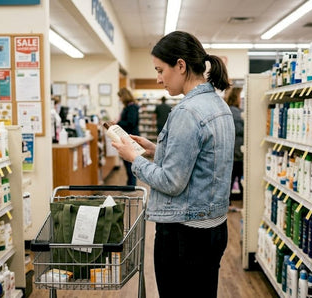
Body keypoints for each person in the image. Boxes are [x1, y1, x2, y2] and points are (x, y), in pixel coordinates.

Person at [111, 31, 234, 298]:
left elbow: (171, 182)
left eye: (160, 70)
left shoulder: (187, 112)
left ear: (180, 65)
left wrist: (134, 158)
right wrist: (157, 150)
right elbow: (203, 160)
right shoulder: (218, 105)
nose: (158, 78)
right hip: (212, 227)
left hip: (184, 234)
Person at [116, 87, 140, 186]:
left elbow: (131, 122)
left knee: (130, 163)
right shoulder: (129, 107)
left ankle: (132, 185)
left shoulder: (132, 107)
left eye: (120, 97)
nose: (119, 99)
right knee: (128, 162)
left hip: (131, 137)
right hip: (128, 136)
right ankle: (129, 184)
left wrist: (118, 122)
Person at [226, 87, 244, 212]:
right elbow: (239, 131)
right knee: (235, 177)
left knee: (232, 178)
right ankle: (229, 203)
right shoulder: (236, 112)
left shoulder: (229, 110)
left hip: (232, 152)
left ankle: (229, 202)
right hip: (236, 153)